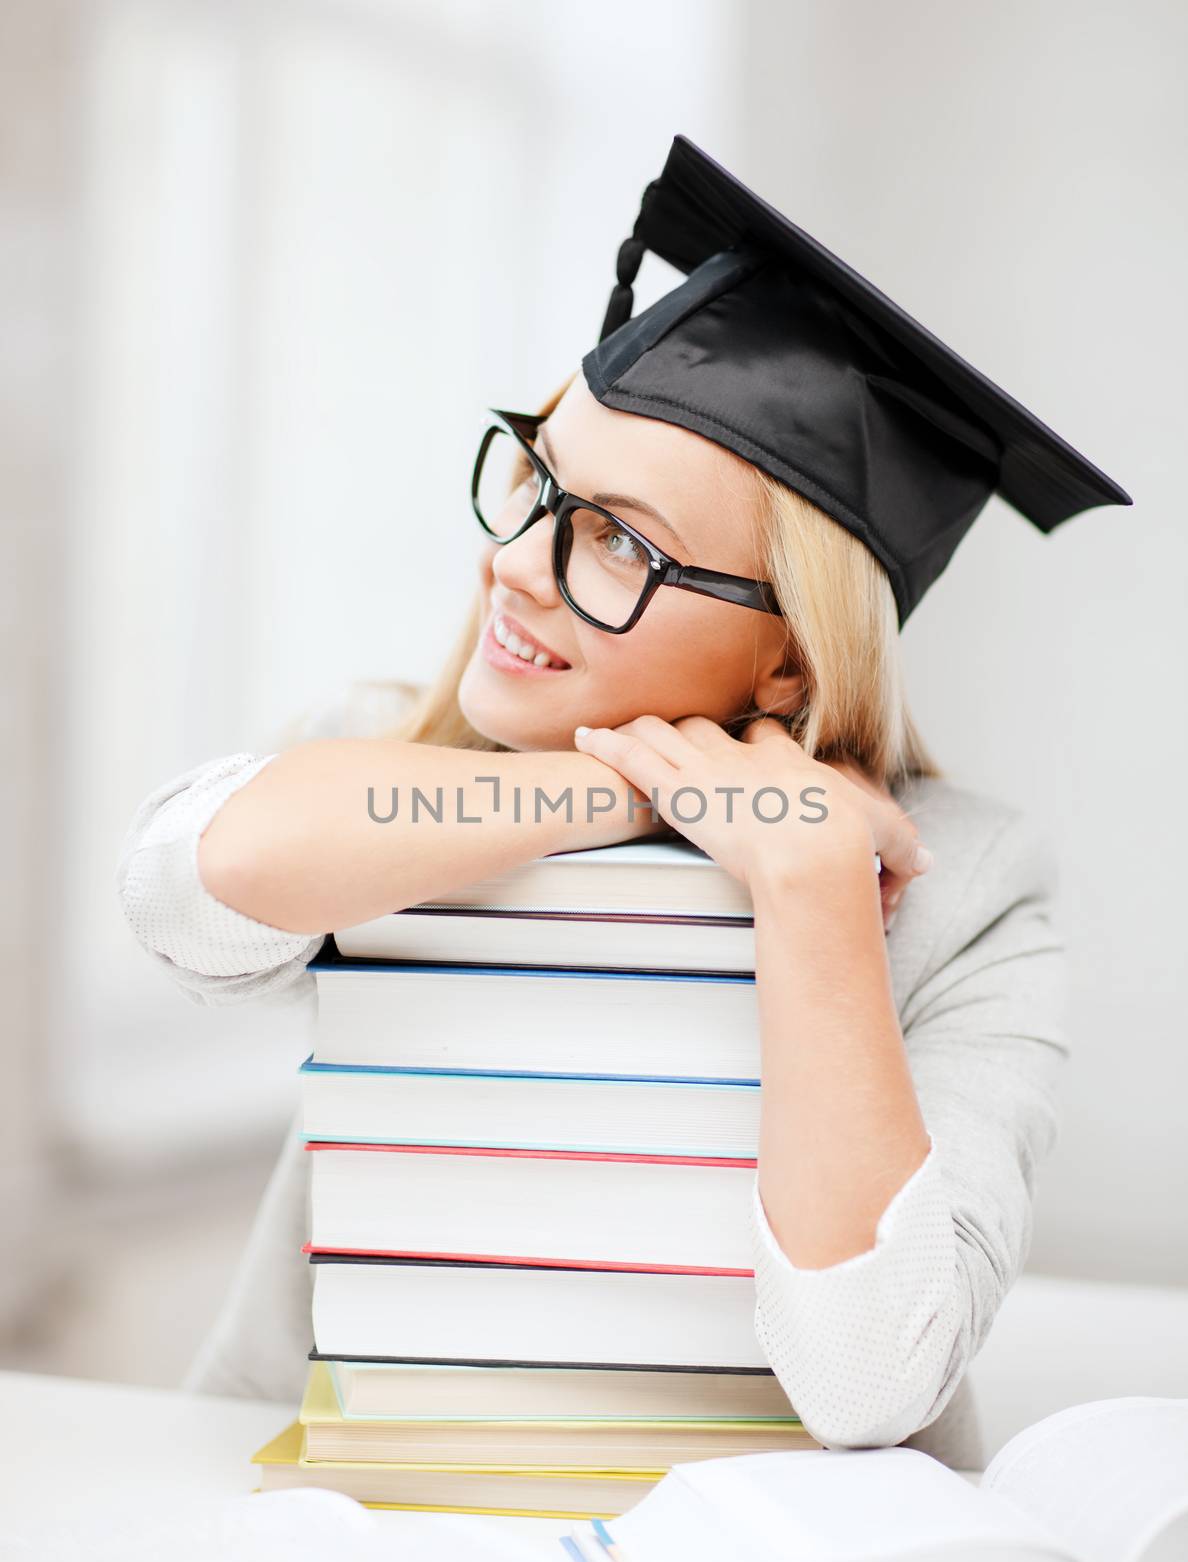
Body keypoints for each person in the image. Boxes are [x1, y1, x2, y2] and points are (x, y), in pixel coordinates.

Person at [116, 136, 1130, 1472]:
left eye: (618, 542)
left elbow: (870, 1375)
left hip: (767, 1547)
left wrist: (815, 897)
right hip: (361, 1517)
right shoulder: (385, 759)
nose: (510, 566)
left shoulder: (969, 887)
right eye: (539, 483)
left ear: (790, 654)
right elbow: (185, 887)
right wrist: (611, 786)